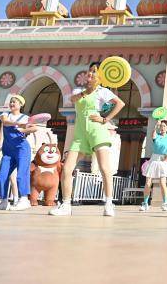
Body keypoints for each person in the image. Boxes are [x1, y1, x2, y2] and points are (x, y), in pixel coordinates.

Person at [49, 62, 124, 217]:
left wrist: (105, 119)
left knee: (104, 168)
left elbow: (120, 103)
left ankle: (109, 203)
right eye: (89, 71)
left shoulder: (103, 92)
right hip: (80, 134)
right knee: (67, 168)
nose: (90, 73)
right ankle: (66, 205)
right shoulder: (79, 91)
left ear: (100, 76)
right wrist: (87, 92)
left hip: (97, 131)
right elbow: (73, 99)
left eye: (94, 71)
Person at [0, 95, 38, 211]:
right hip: (8, 150)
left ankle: (24, 200)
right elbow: (5, 122)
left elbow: (34, 128)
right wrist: (19, 124)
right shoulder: (5, 114)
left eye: (14, 102)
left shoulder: (26, 117)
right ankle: (3, 201)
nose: (12, 104)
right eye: (11, 102)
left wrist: (24, 129)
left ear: (21, 105)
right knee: (2, 176)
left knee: (21, 174)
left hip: (22, 149)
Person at [140, 120, 167, 212]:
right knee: (148, 182)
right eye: (161, 126)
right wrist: (155, 125)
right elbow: (153, 134)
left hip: (163, 161)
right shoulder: (156, 135)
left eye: (164, 126)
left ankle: (165, 203)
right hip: (154, 159)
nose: (162, 128)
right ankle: (145, 203)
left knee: (162, 183)